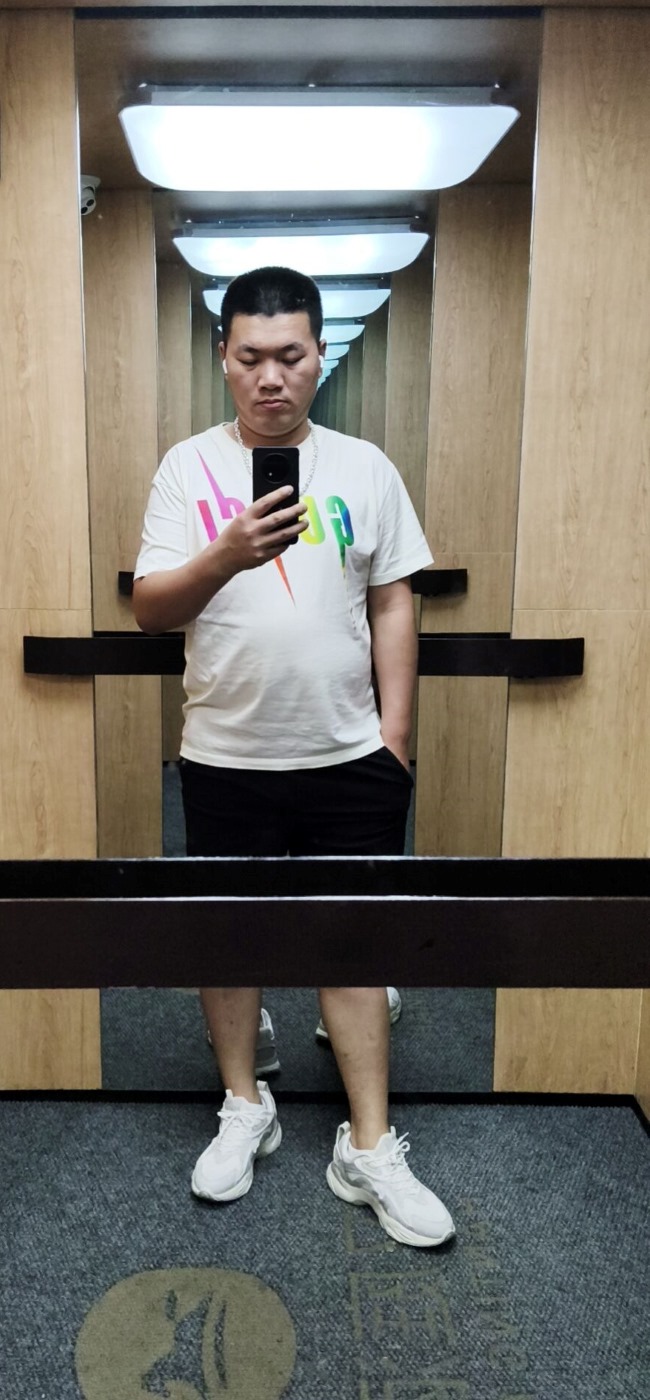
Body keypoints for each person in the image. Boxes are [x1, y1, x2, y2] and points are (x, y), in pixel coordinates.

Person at [133, 266, 454, 1249]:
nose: (270, 376)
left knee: (352, 943)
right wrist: (224, 553)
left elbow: (393, 598)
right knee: (227, 939)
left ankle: (369, 1143)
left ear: (318, 354)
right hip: (225, 753)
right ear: (223, 359)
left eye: (290, 355)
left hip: (349, 754)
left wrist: (395, 738)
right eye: (250, 357)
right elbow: (149, 607)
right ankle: (245, 1103)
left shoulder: (364, 467)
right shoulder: (187, 468)